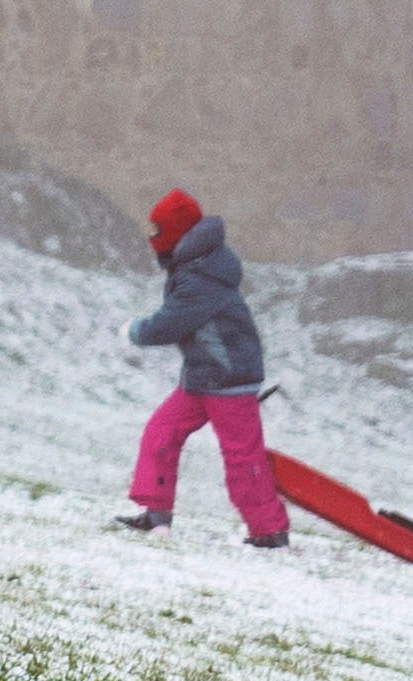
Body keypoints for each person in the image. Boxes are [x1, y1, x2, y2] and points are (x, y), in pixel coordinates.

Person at [117, 186, 289, 548]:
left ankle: (269, 532)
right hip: (202, 377)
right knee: (161, 434)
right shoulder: (195, 266)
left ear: (177, 233)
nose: (153, 239)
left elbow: (170, 323)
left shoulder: (200, 277)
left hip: (229, 379)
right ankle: (156, 515)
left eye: (158, 231)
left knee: (243, 459)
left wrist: (135, 331)